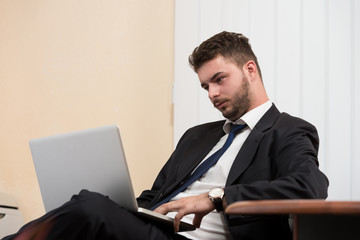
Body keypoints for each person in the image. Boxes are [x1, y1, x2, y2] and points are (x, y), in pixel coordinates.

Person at [3, 31, 329, 240]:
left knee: (90, 209)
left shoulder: (287, 129)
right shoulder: (197, 136)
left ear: (250, 70)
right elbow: (156, 196)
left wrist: (216, 198)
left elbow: (309, 186)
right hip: (160, 231)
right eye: (205, 87)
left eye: (219, 79)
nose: (212, 94)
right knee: (89, 200)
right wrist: (127, 207)